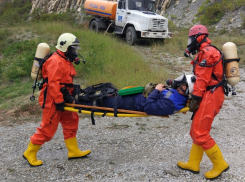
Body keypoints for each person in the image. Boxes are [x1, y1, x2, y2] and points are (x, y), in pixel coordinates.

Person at [23, 33, 91, 167]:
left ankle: (73, 151)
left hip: (63, 97)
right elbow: (53, 84)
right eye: (73, 49)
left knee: (71, 121)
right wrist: (59, 101)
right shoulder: (55, 61)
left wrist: (68, 97)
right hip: (52, 99)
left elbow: (65, 82)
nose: (75, 52)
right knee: (47, 128)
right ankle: (29, 153)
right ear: (65, 47)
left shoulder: (65, 59)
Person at [177, 25, 229, 180]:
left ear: (199, 37)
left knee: (201, 133)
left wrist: (194, 100)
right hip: (209, 94)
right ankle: (193, 163)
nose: (190, 42)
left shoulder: (207, 53)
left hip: (211, 96)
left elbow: (202, 81)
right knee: (195, 131)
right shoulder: (206, 52)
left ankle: (220, 164)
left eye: (191, 39)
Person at [64, 74, 195, 116]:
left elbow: (149, 108)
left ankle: (75, 103)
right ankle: (78, 96)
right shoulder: (177, 95)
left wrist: (157, 91)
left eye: (181, 83)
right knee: (107, 92)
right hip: (137, 96)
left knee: (103, 101)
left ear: (185, 88)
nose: (177, 82)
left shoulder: (172, 104)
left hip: (135, 104)